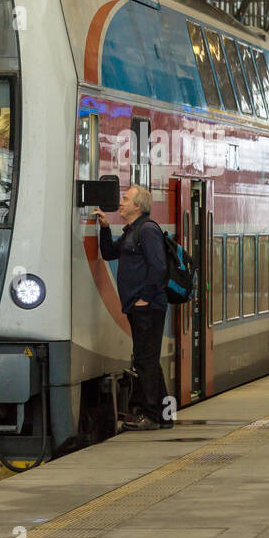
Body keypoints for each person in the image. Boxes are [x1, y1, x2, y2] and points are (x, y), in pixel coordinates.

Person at [91, 185, 171, 431]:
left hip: (147, 307)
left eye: (126, 199)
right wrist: (105, 229)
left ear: (138, 206)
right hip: (138, 306)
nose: (121, 202)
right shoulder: (131, 231)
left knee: (145, 360)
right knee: (148, 359)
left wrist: (144, 298)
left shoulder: (147, 231)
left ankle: (151, 416)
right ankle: (164, 415)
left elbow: (158, 267)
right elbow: (109, 253)